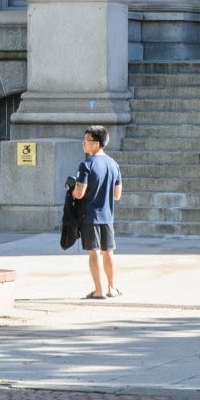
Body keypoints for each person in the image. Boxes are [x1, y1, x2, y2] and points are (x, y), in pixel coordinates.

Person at [69, 125, 122, 299]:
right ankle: (112, 288)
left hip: (90, 216)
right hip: (107, 216)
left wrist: (71, 188)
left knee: (94, 253)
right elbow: (117, 195)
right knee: (108, 252)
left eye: (87, 140)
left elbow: (79, 193)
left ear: (97, 143)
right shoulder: (114, 164)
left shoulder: (86, 165)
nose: (84, 143)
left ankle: (98, 291)